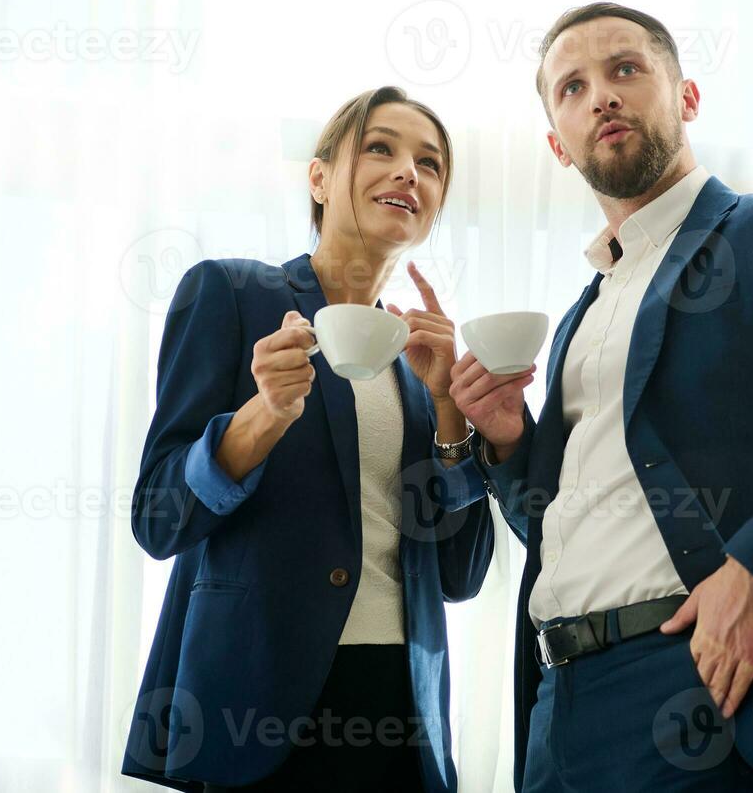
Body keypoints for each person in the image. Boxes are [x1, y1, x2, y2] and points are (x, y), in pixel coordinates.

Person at [444, 3, 753, 792]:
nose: (602, 97)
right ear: (556, 143)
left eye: (625, 69)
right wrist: (509, 439)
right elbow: (552, 523)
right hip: (557, 705)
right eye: (572, 88)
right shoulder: (586, 308)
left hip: (701, 685)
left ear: (685, 97)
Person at [122, 86, 512, 792]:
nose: (408, 173)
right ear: (319, 177)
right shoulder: (234, 294)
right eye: (380, 148)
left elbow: (461, 574)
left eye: (429, 164)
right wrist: (264, 413)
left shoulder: (421, 360)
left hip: (401, 710)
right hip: (256, 704)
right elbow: (157, 516)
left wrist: (450, 409)